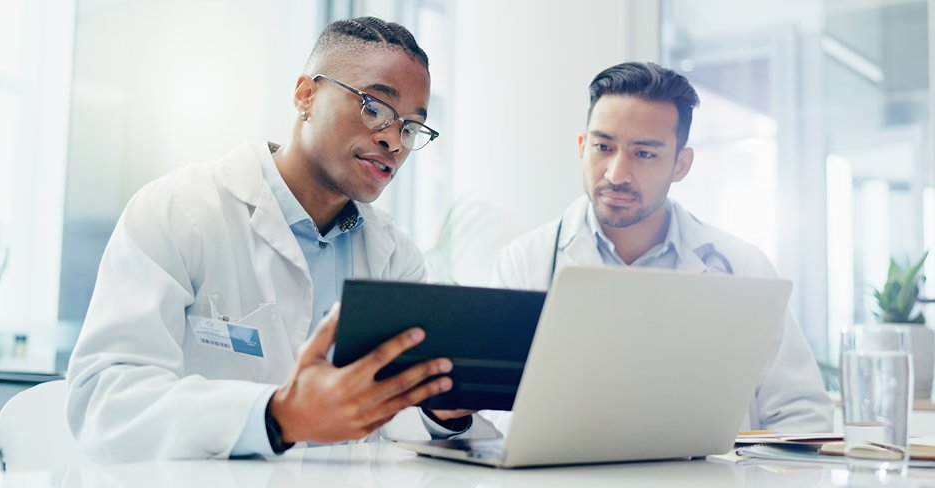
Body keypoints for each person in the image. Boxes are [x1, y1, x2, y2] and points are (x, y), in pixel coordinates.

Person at [65, 16, 490, 462]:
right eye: (374, 107)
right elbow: (104, 399)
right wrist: (275, 416)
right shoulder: (177, 210)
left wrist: (442, 413)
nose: (394, 141)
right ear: (306, 95)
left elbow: (393, 421)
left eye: (410, 126)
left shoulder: (395, 257)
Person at [483, 62, 833, 433]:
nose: (616, 174)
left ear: (681, 164)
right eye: (603, 147)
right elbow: (490, 414)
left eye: (644, 153)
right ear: (583, 147)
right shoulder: (524, 263)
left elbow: (803, 417)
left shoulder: (744, 267)